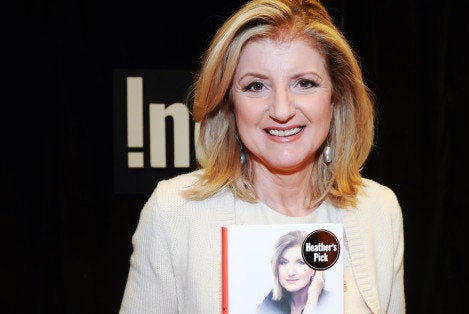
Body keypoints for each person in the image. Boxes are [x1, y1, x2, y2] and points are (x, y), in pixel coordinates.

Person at [120, 0, 406, 313]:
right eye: (256, 86)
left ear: (335, 98)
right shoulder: (174, 212)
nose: (282, 110)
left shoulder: (378, 211)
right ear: (230, 103)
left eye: (305, 83)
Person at [256, 230, 335, 314]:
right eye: (283, 262)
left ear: (315, 269)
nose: (290, 272)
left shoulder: (332, 303)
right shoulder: (270, 303)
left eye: (300, 262)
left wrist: (313, 297)